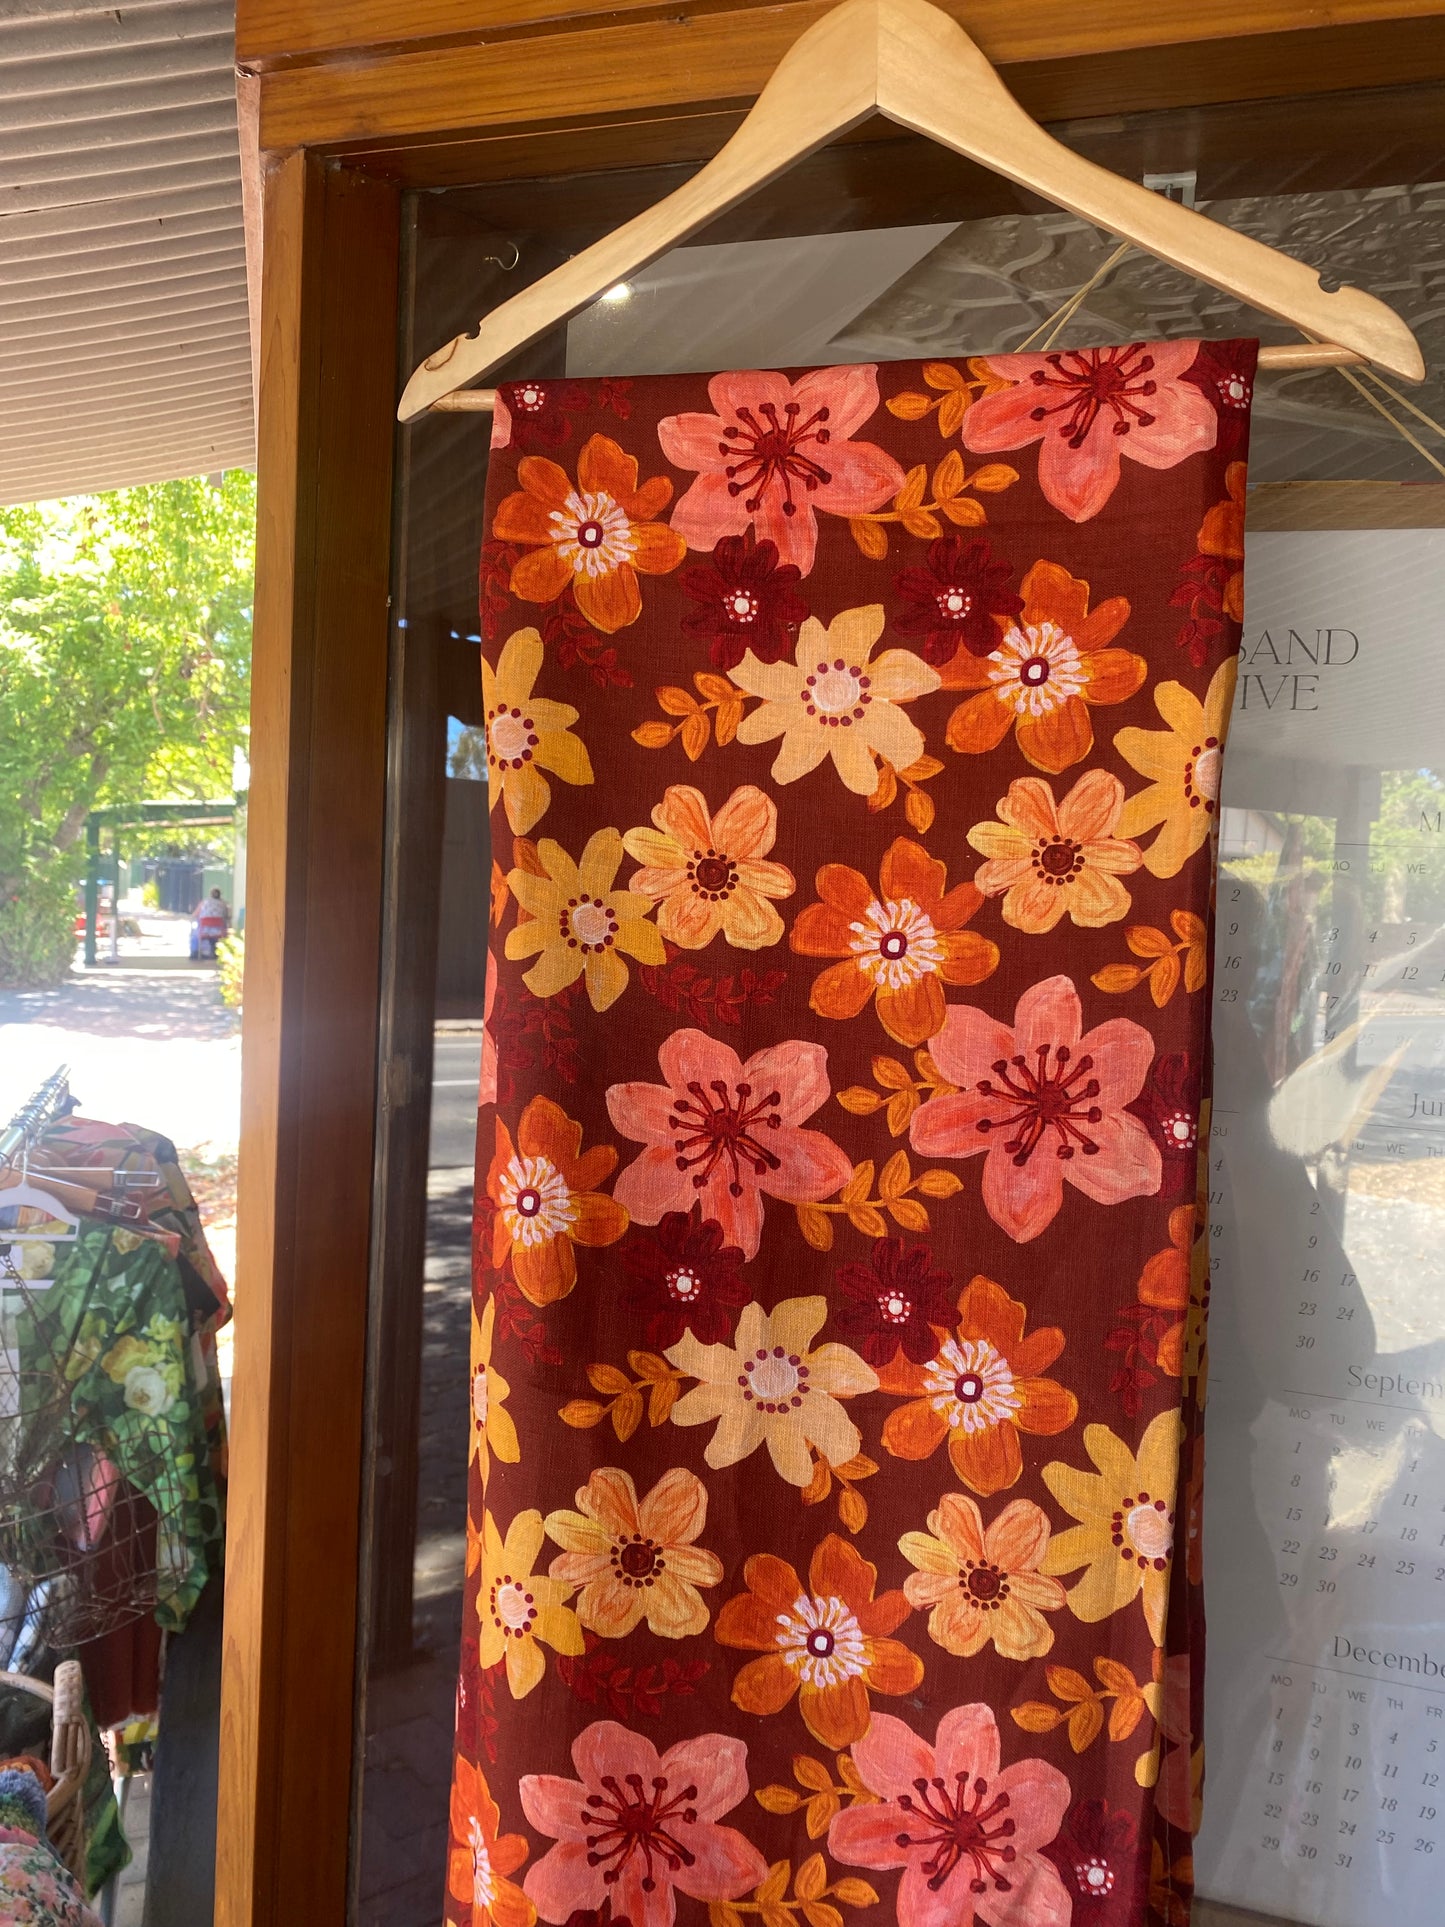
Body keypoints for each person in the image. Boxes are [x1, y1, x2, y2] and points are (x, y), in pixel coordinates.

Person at [191, 888, 229, 961]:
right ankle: (216, 952)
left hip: (204, 931)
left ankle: (195, 952)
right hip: (219, 931)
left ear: (211, 894)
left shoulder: (204, 902)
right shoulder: (224, 904)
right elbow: (226, 916)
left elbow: (195, 914)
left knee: (194, 934)